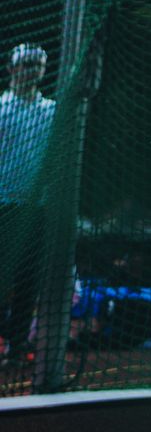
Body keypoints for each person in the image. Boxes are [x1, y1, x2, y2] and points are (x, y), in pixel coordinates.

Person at [0, 44, 56, 367]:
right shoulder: (2, 108)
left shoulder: (51, 110)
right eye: (25, 64)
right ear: (11, 69)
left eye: (37, 64)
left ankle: (16, 345)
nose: (31, 70)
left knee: (27, 280)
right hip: (3, 204)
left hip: (35, 207)